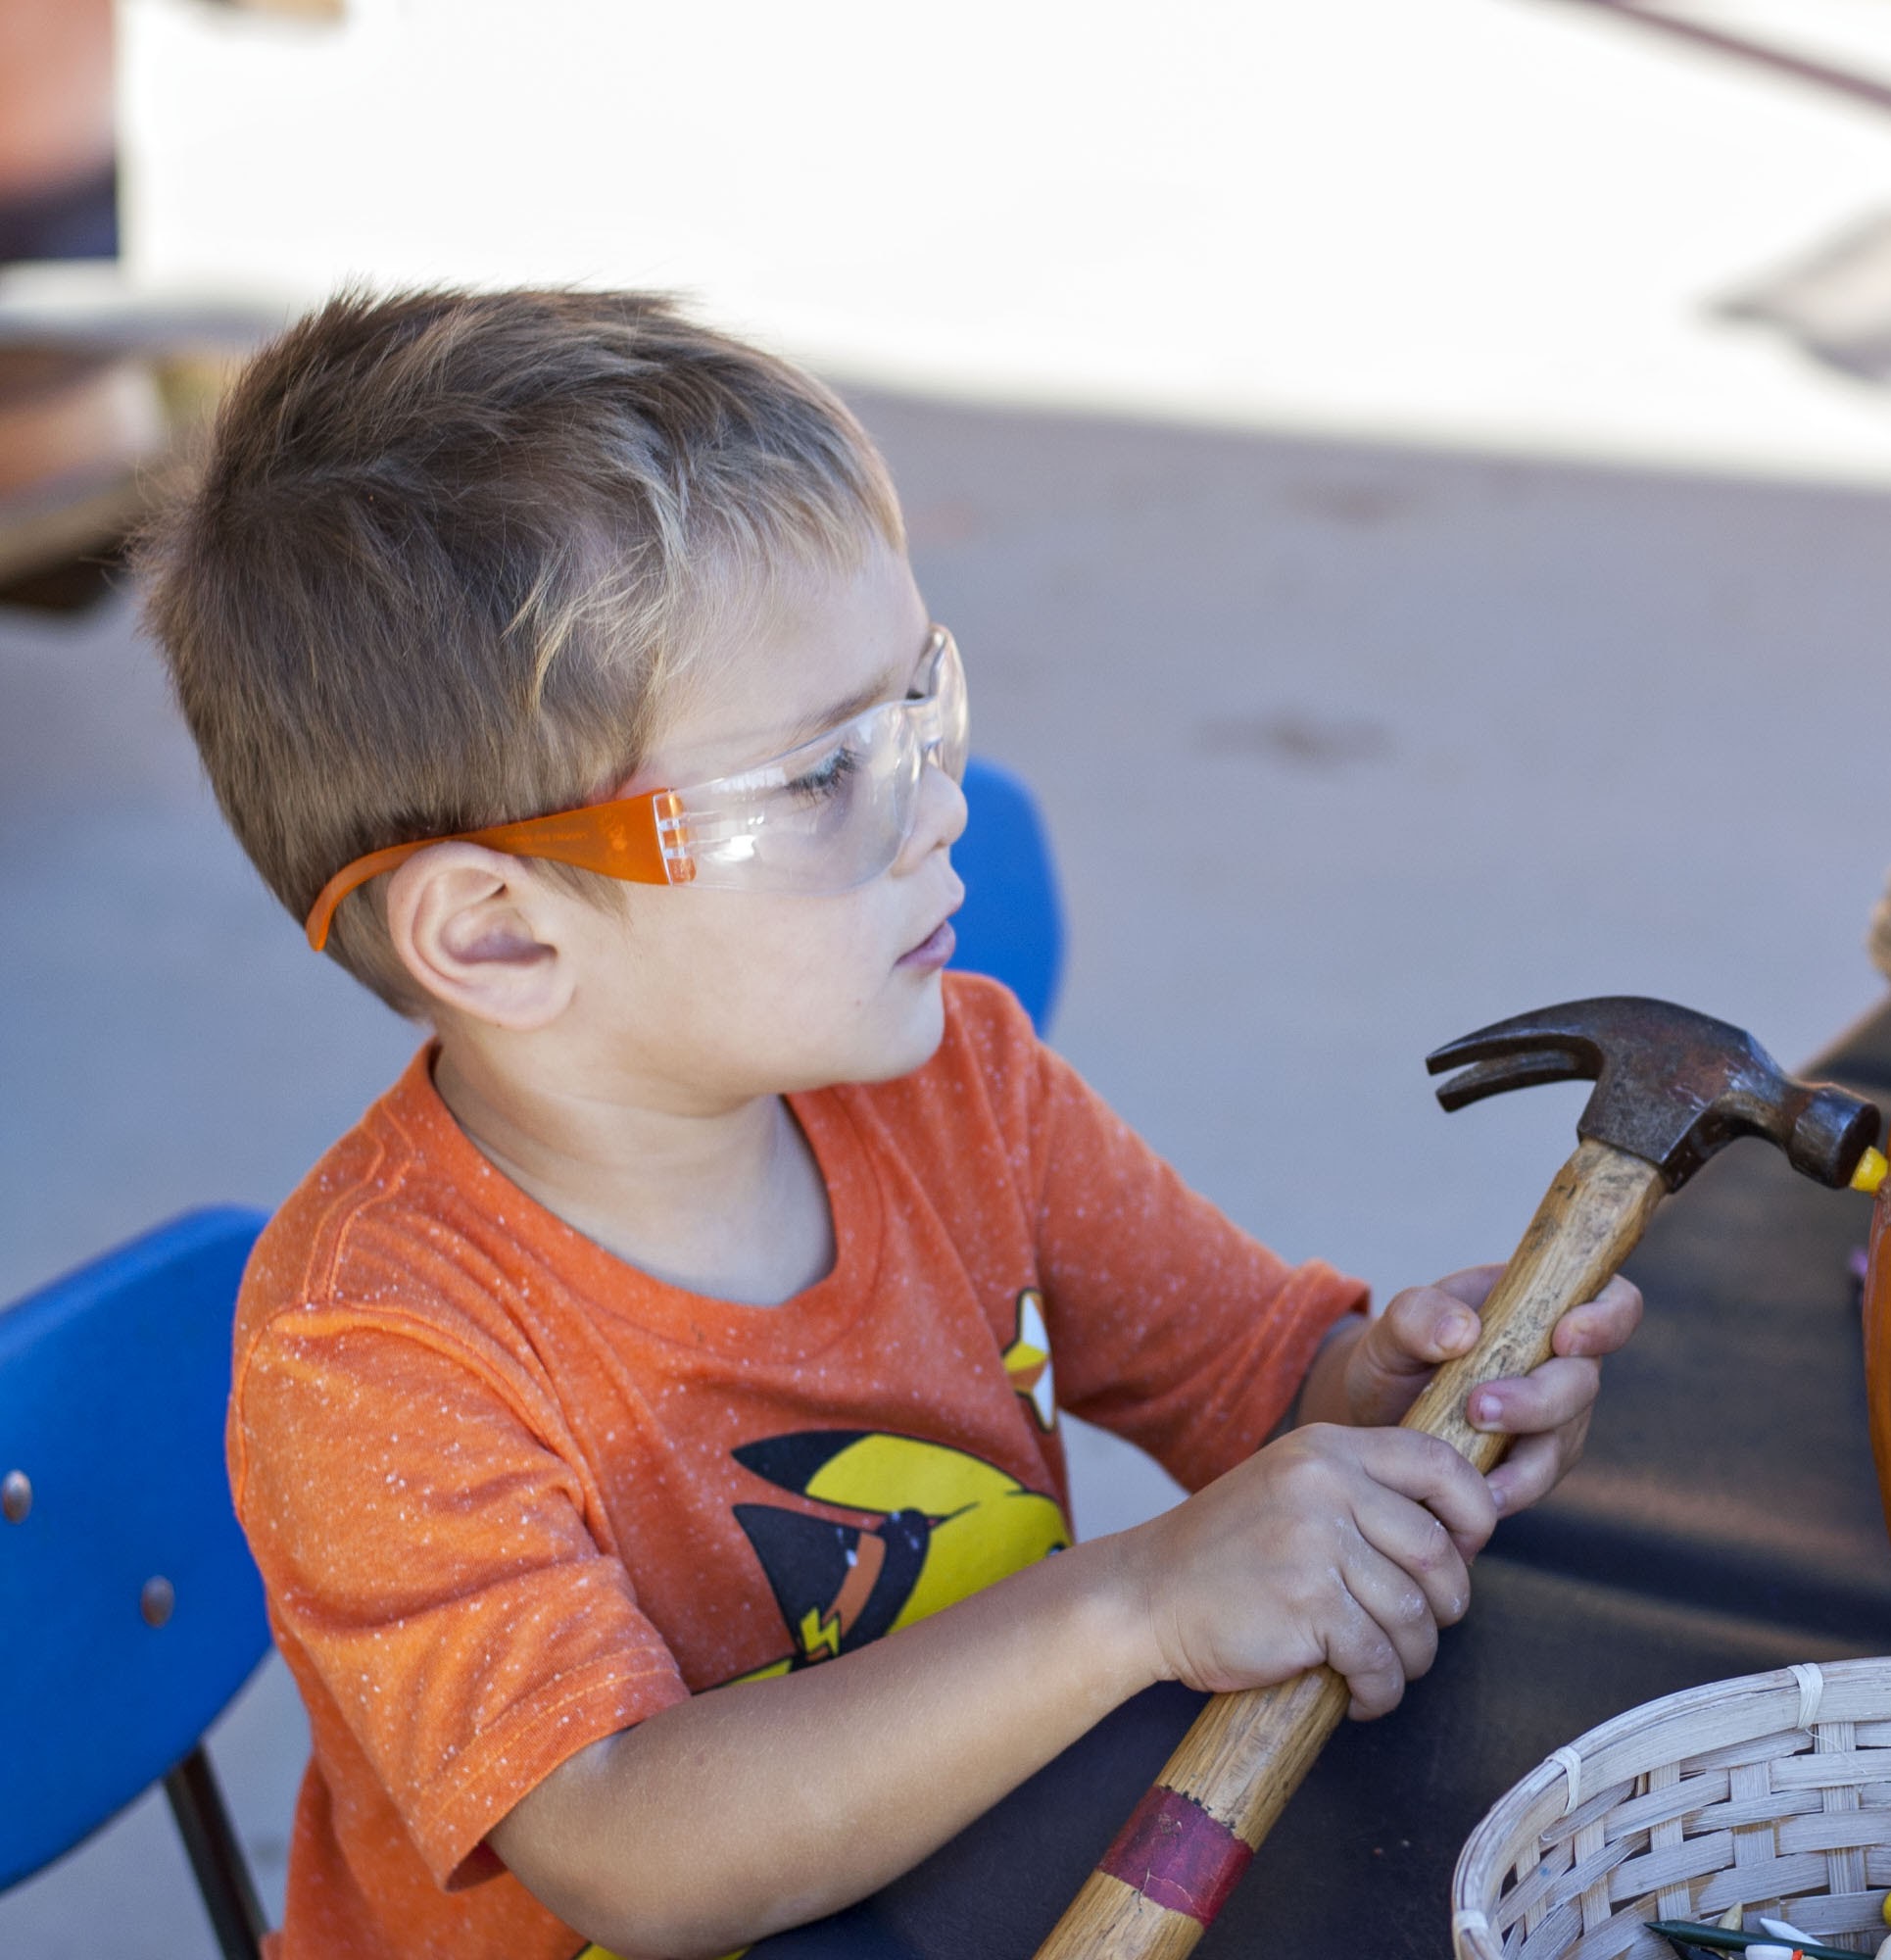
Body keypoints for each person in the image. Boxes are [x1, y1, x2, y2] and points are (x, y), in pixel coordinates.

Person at [142, 287, 1642, 1960]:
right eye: (816, 775)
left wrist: (1398, 1397)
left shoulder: (957, 1083)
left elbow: (1251, 1376)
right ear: (499, 931)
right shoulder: (375, 1348)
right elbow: (632, 1850)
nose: (938, 804)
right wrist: (1144, 1598)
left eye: (921, 703)